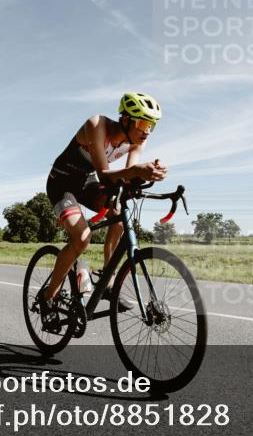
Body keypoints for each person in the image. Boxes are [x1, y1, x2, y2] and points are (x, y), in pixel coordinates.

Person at [38, 92, 167, 329]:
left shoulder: (138, 141)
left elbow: (126, 178)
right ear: (125, 119)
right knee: (82, 237)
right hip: (62, 182)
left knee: (119, 218)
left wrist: (147, 174)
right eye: (142, 123)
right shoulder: (96, 124)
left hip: (87, 182)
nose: (147, 131)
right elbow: (105, 175)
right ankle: (48, 297)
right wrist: (136, 170)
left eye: (152, 125)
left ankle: (107, 282)